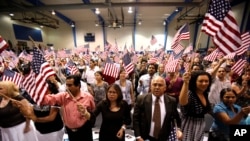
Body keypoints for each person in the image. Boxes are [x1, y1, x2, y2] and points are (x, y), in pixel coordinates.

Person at [42, 75, 95, 141]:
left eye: (70, 85)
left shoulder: (88, 97)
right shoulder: (63, 96)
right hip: (70, 132)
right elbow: (49, 99)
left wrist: (85, 112)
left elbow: (93, 114)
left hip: (84, 130)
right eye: (66, 85)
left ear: (78, 85)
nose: (67, 88)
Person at [133, 76, 182, 141]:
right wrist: (138, 137)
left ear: (165, 88)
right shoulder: (141, 99)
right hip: (144, 137)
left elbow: (176, 118)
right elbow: (136, 119)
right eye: (154, 84)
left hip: (164, 137)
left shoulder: (172, 101)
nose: (157, 87)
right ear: (151, 86)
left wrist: (178, 130)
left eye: (160, 85)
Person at [179, 70, 212, 141]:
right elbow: (182, 102)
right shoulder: (190, 94)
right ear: (194, 82)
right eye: (201, 81)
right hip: (188, 127)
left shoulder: (205, 93)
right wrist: (186, 83)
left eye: (206, 81)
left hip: (201, 127)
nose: (204, 83)